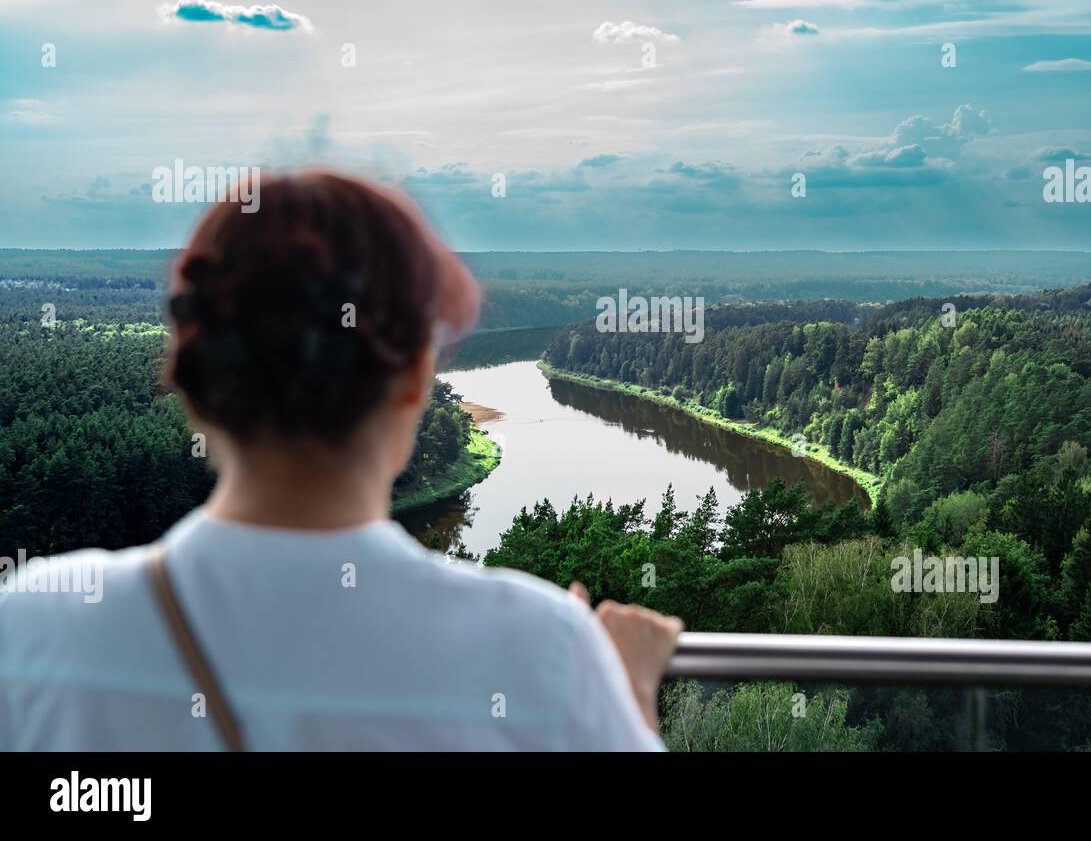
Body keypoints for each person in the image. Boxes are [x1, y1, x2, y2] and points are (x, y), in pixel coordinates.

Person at [0, 171, 682, 751]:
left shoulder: (36, 628)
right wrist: (625, 702)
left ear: (196, 387)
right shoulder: (540, 650)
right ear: (416, 378)